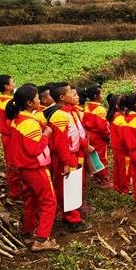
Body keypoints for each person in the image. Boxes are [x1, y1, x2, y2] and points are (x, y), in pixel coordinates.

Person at [6, 85, 59, 252]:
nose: (39, 100)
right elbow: (34, 149)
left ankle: (29, 230)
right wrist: (46, 136)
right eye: (37, 98)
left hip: (23, 169)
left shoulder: (18, 120)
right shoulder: (30, 124)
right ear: (29, 103)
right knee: (49, 201)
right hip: (35, 168)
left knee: (31, 199)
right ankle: (42, 240)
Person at [44, 82, 92, 232]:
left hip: (75, 153)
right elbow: (60, 143)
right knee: (68, 186)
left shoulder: (70, 111)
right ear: (62, 97)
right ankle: (72, 219)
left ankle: (74, 211)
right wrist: (65, 162)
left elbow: (76, 133)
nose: (76, 96)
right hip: (67, 156)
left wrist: (84, 144)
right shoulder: (59, 115)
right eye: (72, 94)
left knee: (75, 184)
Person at [0, 74, 22, 199]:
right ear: (7, 86)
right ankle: (15, 192)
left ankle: (17, 189)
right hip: (10, 136)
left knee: (13, 162)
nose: (14, 83)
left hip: (8, 135)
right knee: (13, 163)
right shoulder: (7, 103)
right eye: (12, 81)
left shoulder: (4, 100)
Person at [83, 84, 112, 188]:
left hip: (88, 135)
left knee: (93, 157)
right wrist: (108, 137)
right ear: (96, 96)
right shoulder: (100, 109)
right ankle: (105, 180)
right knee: (102, 158)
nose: (102, 95)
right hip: (98, 137)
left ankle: (96, 177)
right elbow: (102, 127)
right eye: (101, 93)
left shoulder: (86, 107)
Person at [107, 94, 130, 194]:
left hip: (116, 146)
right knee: (124, 168)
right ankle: (124, 189)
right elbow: (123, 136)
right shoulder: (120, 118)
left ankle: (117, 186)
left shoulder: (113, 115)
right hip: (122, 148)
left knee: (117, 167)